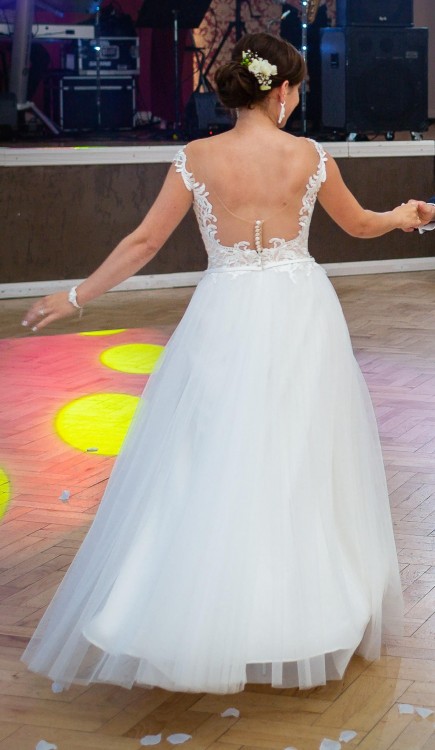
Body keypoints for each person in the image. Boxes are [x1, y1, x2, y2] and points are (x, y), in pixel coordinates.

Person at [21, 33, 429, 695]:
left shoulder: (196, 157)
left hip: (225, 310)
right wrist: (405, 215)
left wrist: (75, 296)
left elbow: (143, 242)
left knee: (209, 450)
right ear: (281, 90)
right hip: (300, 311)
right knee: (296, 452)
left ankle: (190, 607)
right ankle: (300, 609)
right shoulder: (309, 155)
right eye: (295, 90)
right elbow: (358, 225)